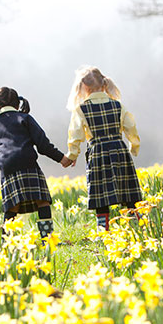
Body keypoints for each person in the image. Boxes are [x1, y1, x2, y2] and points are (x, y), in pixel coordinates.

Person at [0, 87, 72, 239]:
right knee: (42, 201)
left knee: (12, 206)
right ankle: (47, 238)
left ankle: (6, 239)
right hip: (27, 162)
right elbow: (43, 145)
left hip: (8, 166)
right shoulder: (25, 118)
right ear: (17, 104)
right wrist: (62, 158)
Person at [64, 66, 143, 230]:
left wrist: (72, 155)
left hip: (98, 152)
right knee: (128, 190)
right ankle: (139, 226)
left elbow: (75, 134)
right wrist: (133, 147)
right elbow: (131, 127)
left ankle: (103, 231)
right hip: (119, 149)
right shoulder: (118, 106)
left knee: (101, 195)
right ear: (103, 84)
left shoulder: (81, 109)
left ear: (84, 87)